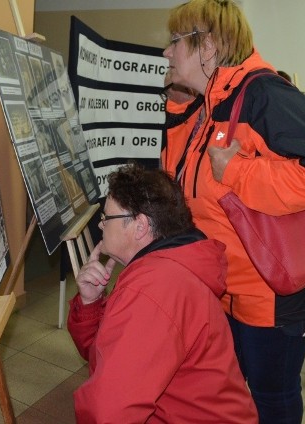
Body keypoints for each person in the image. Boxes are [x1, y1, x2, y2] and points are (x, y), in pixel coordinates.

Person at [162, 1, 305, 422]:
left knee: (273, 397)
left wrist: (238, 171)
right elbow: (183, 181)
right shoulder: (215, 102)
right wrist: (177, 109)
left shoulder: (264, 93)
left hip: (275, 295)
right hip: (230, 287)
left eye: (175, 41)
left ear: (207, 45)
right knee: (228, 392)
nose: (167, 52)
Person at [67, 163, 258, 423]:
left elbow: (108, 412)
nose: (101, 226)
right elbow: (106, 359)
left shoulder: (154, 287)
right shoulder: (165, 268)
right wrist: (90, 303)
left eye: (107, 217)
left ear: (140, 226)